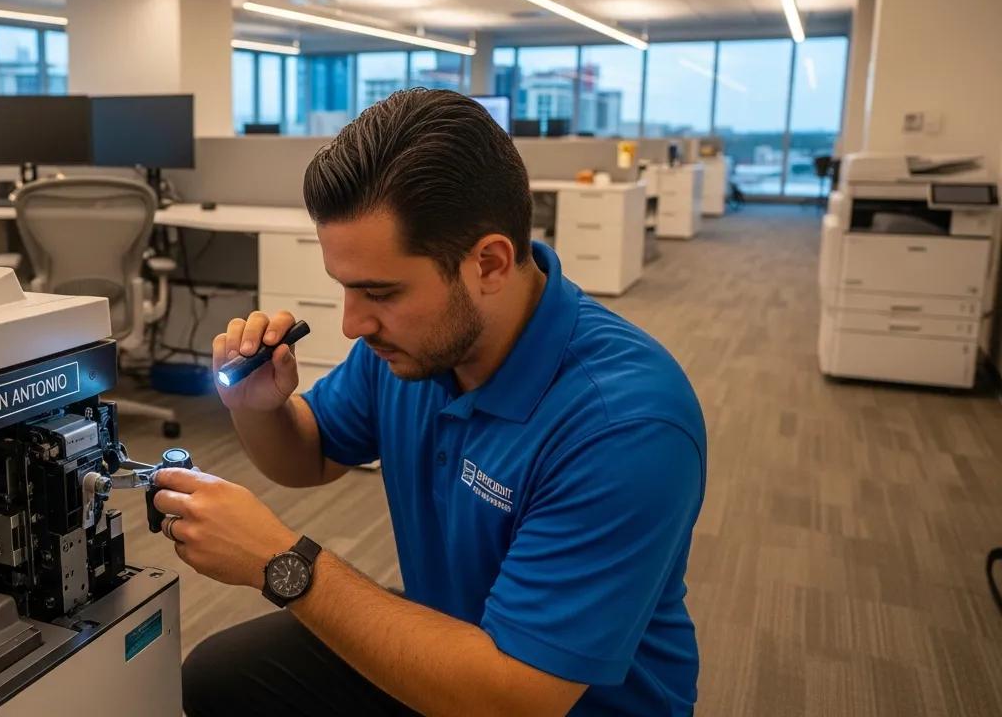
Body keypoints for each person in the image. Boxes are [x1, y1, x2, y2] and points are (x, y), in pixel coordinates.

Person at [150, 88, 706, 716]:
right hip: (457, 644)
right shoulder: (417, 347)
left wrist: (282, 563)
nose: (352, 324)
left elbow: (513, 700)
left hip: (536, 699)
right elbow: (307, 458)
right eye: (344, 289)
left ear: (490, 264)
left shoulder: (625, 424)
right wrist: (259, 407)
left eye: (379, 292)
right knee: (219, 678)